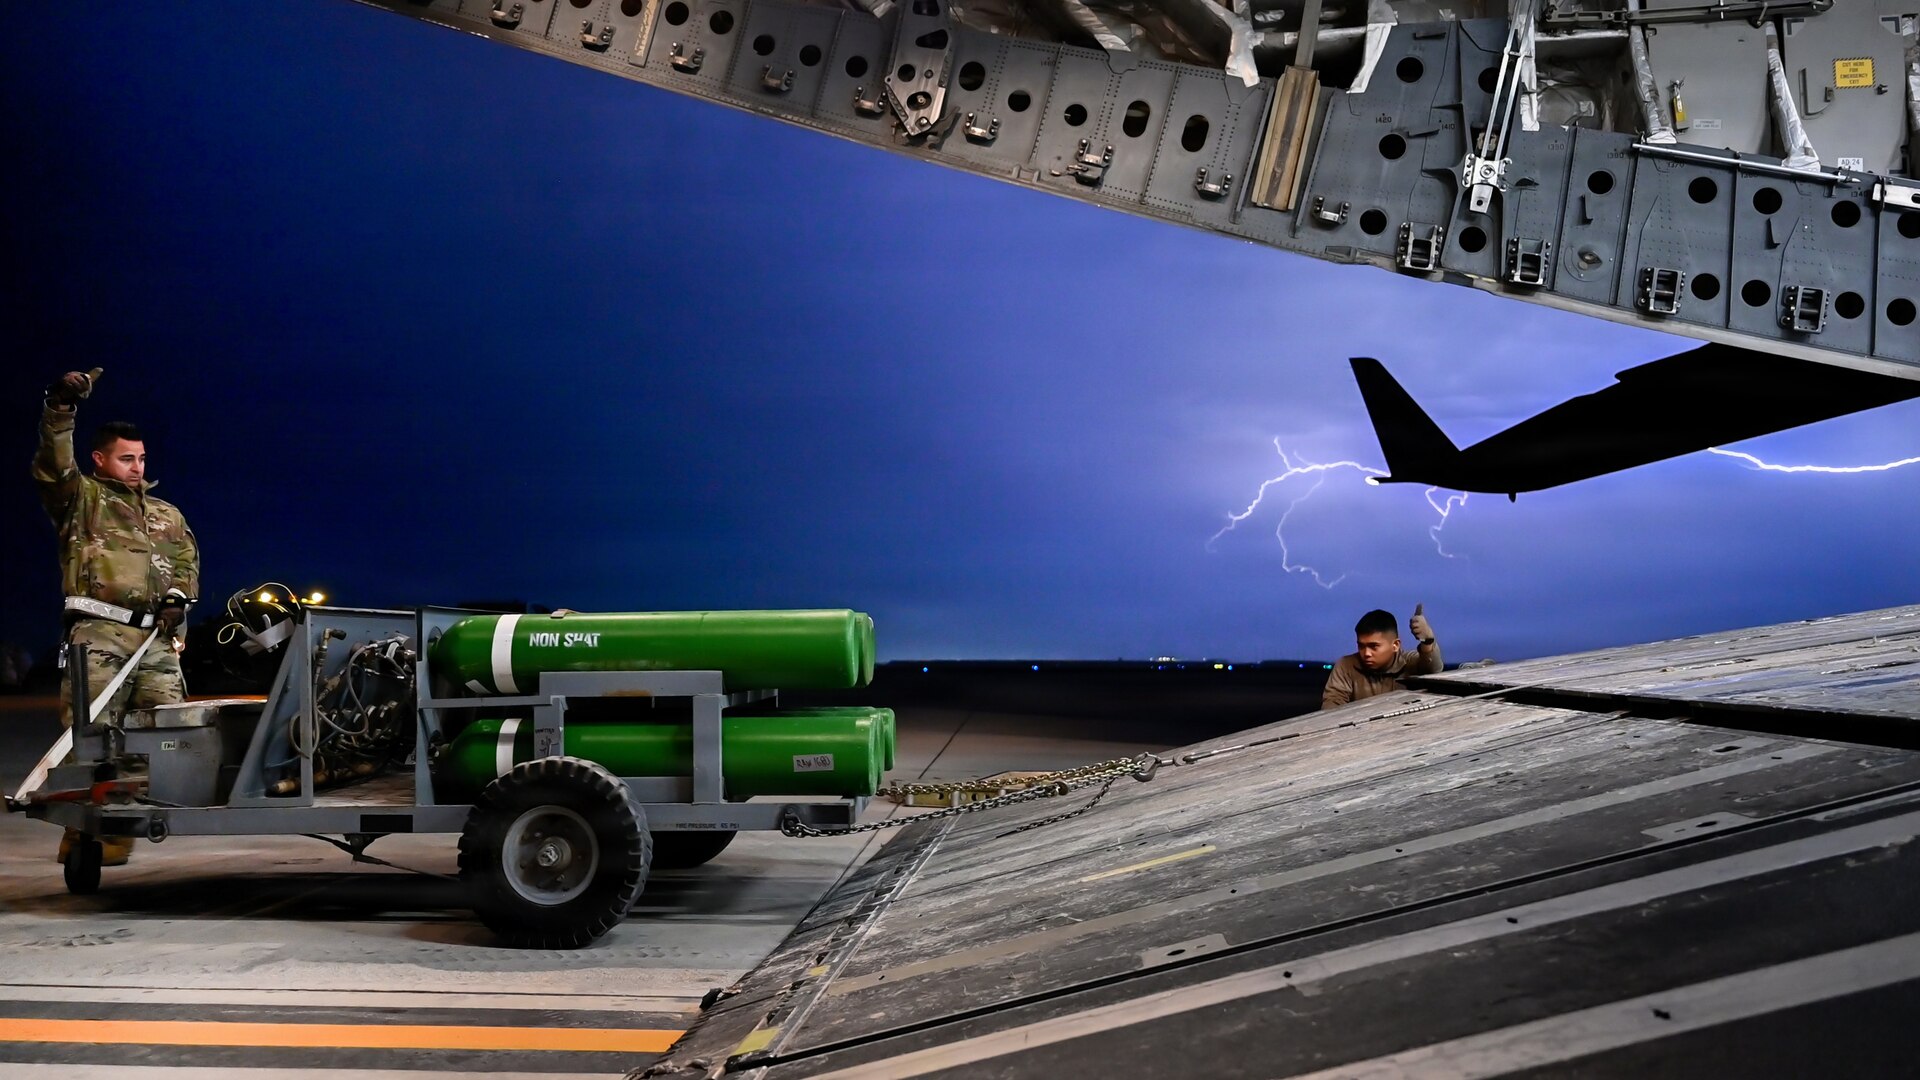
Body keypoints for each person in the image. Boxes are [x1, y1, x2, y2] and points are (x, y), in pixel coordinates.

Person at [33, 369, 200, 865]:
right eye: (126, 458)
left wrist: (177, 601)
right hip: (101, 632)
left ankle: (119, 829)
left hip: (154, 641)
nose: (136, 466)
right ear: (100, 459)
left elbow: (188, 562)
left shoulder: (167, 514)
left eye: (141, 457)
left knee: (170, 732)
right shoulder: (83, 501)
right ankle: (91, 837)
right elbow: (52, 466)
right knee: (97, 738)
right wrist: (61, 406)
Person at [1321, 604, 1441, 709]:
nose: (1366, 653)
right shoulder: (1346, 666)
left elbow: (1432, 669)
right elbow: (1332, 706)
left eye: (1374, 646)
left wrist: (1428, 641)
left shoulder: (1408, 662)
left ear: (1395, 645)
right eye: (1361, 646)